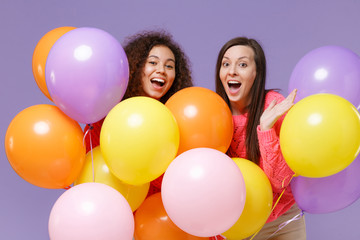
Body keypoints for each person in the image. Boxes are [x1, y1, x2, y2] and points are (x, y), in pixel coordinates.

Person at [213, 37, 306, 240]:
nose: (232, 71)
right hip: (238, 221)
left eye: (243, 64)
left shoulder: (274, 106)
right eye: (226, 64)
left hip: (282, 218)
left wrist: (265, 129)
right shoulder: (212, 114)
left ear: (256, 73)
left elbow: (280, 182)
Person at [83, 30, 193, 194]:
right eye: (153, 63)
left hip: (159, 213)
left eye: (169, 66)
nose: (161, 70)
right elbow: (89, 167)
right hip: (112, 209)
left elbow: (180, 179)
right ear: (136, 66)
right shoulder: (108, 116)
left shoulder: (177, 122)